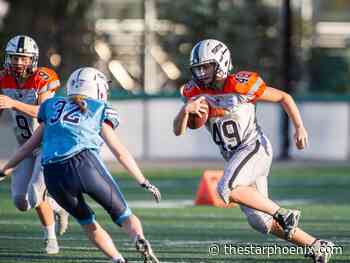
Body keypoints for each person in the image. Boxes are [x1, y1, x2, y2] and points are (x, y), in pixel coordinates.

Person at [173, 39, 334, 263]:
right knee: (261, 222)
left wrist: (299, 127)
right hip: (234, 156)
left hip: (253, 147)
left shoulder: (241, 84)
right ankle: (316, 245)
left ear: (221, 62)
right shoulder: (194, 92)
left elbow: (283, 97)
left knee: (225, 189)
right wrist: (185, 110)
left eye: (206, 66)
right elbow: (178, 131)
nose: (201, 72)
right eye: (198, 67)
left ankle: (283, 213)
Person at [0, 67, 161, 263]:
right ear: (97, 88)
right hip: (85, 164)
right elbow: (119, 151)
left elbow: (26, 148)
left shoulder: (51, 106)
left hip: (53, 175)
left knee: (88, 223)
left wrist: (4, 171)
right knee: (124, 216)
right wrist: (143, 181)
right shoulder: (101, 108)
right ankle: (138, 238)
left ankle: (117, 259)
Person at [0, 35, 69, 254]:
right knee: (21, 201)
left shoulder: (43, 78)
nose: (18, 62)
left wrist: (13, 103)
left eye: (23, 58)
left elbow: (44, 112)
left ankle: (50, 238)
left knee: (35, 192)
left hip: (47, 142)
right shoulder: (3, 79)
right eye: (14, 58)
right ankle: (57, 205)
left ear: (33, 59)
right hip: (24, 144)